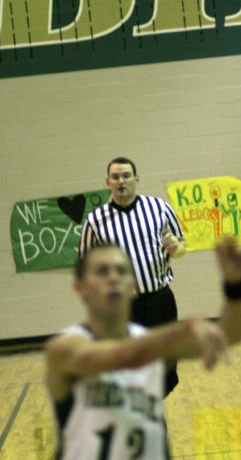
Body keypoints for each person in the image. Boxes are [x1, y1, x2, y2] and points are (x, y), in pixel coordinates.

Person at [40, 238, 241, 460]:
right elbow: (124, 355)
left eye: (121, 271)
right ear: (80, 288)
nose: (113, 278)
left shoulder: (150, 344)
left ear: (134, 286)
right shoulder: (65, 349)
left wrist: (236, 287)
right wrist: (187, 328)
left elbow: (230, 334)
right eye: (102, 271)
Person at [79, 157, 186, 397]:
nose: (121, 181)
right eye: (115, 177)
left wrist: (174, 249)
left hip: (160, 301)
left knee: (166, 373)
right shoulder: (95, 221)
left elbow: (181, 246)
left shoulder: (158, 207)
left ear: (137, 179)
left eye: (126, 176)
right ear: (108, 182)